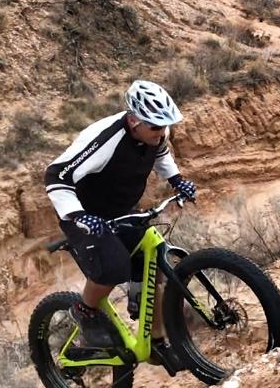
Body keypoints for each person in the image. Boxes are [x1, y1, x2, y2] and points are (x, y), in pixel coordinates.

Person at [44, 80, 197, 349]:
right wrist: (78, 215)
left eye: (165, 125)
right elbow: (56, 175)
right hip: (85, 216)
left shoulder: (156, 132)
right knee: (114, 267)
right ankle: (84, 313)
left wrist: (176, 179)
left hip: (120, 211)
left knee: (152, 266)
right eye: (155, 126)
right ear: (134, 120)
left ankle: (155, 344)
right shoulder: (105, 139)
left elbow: (160, 154)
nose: (162, 132)